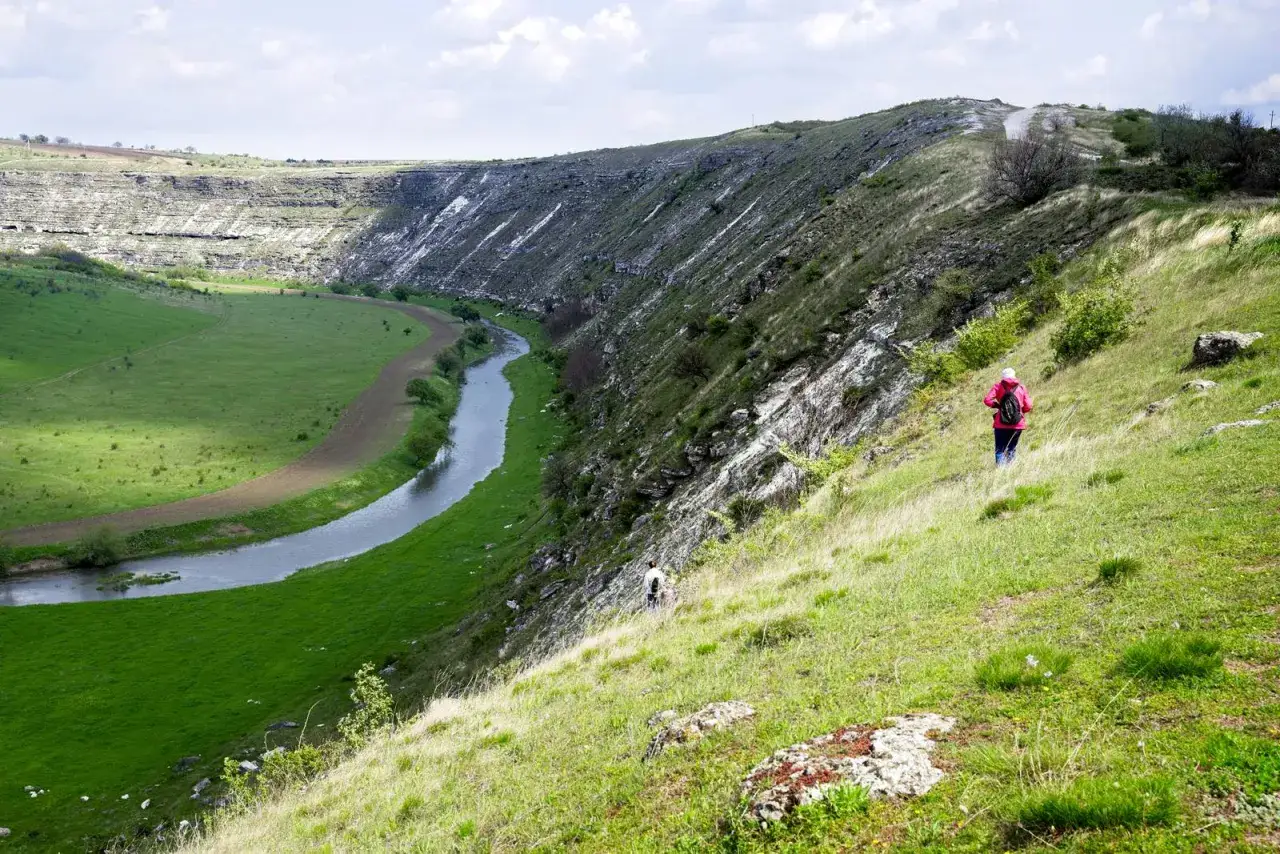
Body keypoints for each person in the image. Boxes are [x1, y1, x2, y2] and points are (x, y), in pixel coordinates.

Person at [983, 367, 1033, 467]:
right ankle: (1011, 470)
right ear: (1014, 376)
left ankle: (1001, 473)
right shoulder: (1021, 387)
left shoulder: (998, 386)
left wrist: (997, 405)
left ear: (1003, 377)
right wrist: (1021, 412)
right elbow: (1029, 405)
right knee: (1011, 449)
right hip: (1017, 424)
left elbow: (987, 400)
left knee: (1000, 450)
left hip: (1000, 424)